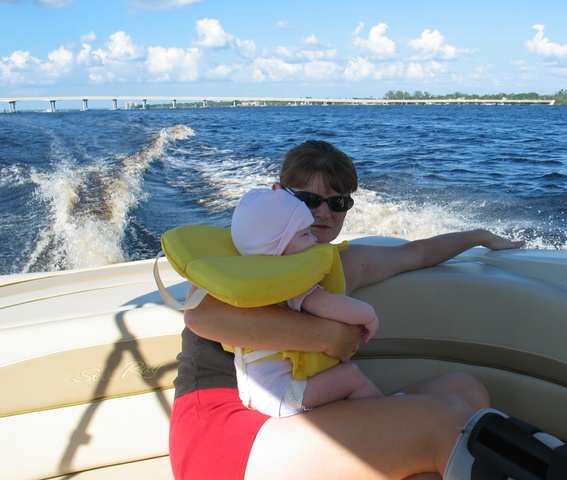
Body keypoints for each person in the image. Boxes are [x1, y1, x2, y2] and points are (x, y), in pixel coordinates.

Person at [169, 139, 526, 480]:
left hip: (303, 413)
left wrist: (478, 236)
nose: (323, 212)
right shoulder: (241, 257)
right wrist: (331, 336)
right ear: (279, 195)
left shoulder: (339, 264)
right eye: (309, 199)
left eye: (338, 203)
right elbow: (202, 316)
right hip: (228, 430)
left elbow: (416, 253)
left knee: (464, 390)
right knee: (440, 424)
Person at [227, 187, 382, 418]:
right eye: (303, 234)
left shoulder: (252, 276)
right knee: (351, 377)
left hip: (258, 391)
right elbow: (330, 306)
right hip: (281, 394)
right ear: (276, 245)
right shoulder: (289, 281)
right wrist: (369, 315)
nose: (312, 239)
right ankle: (386, 412)